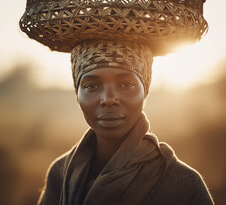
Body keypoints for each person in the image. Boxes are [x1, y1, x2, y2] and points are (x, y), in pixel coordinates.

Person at [37, 40, 214, 205]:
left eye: (126, 84)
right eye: (91, 86)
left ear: (145, 92)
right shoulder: (60, 174)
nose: (108, 99)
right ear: (77, 95)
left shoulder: (183, 184)